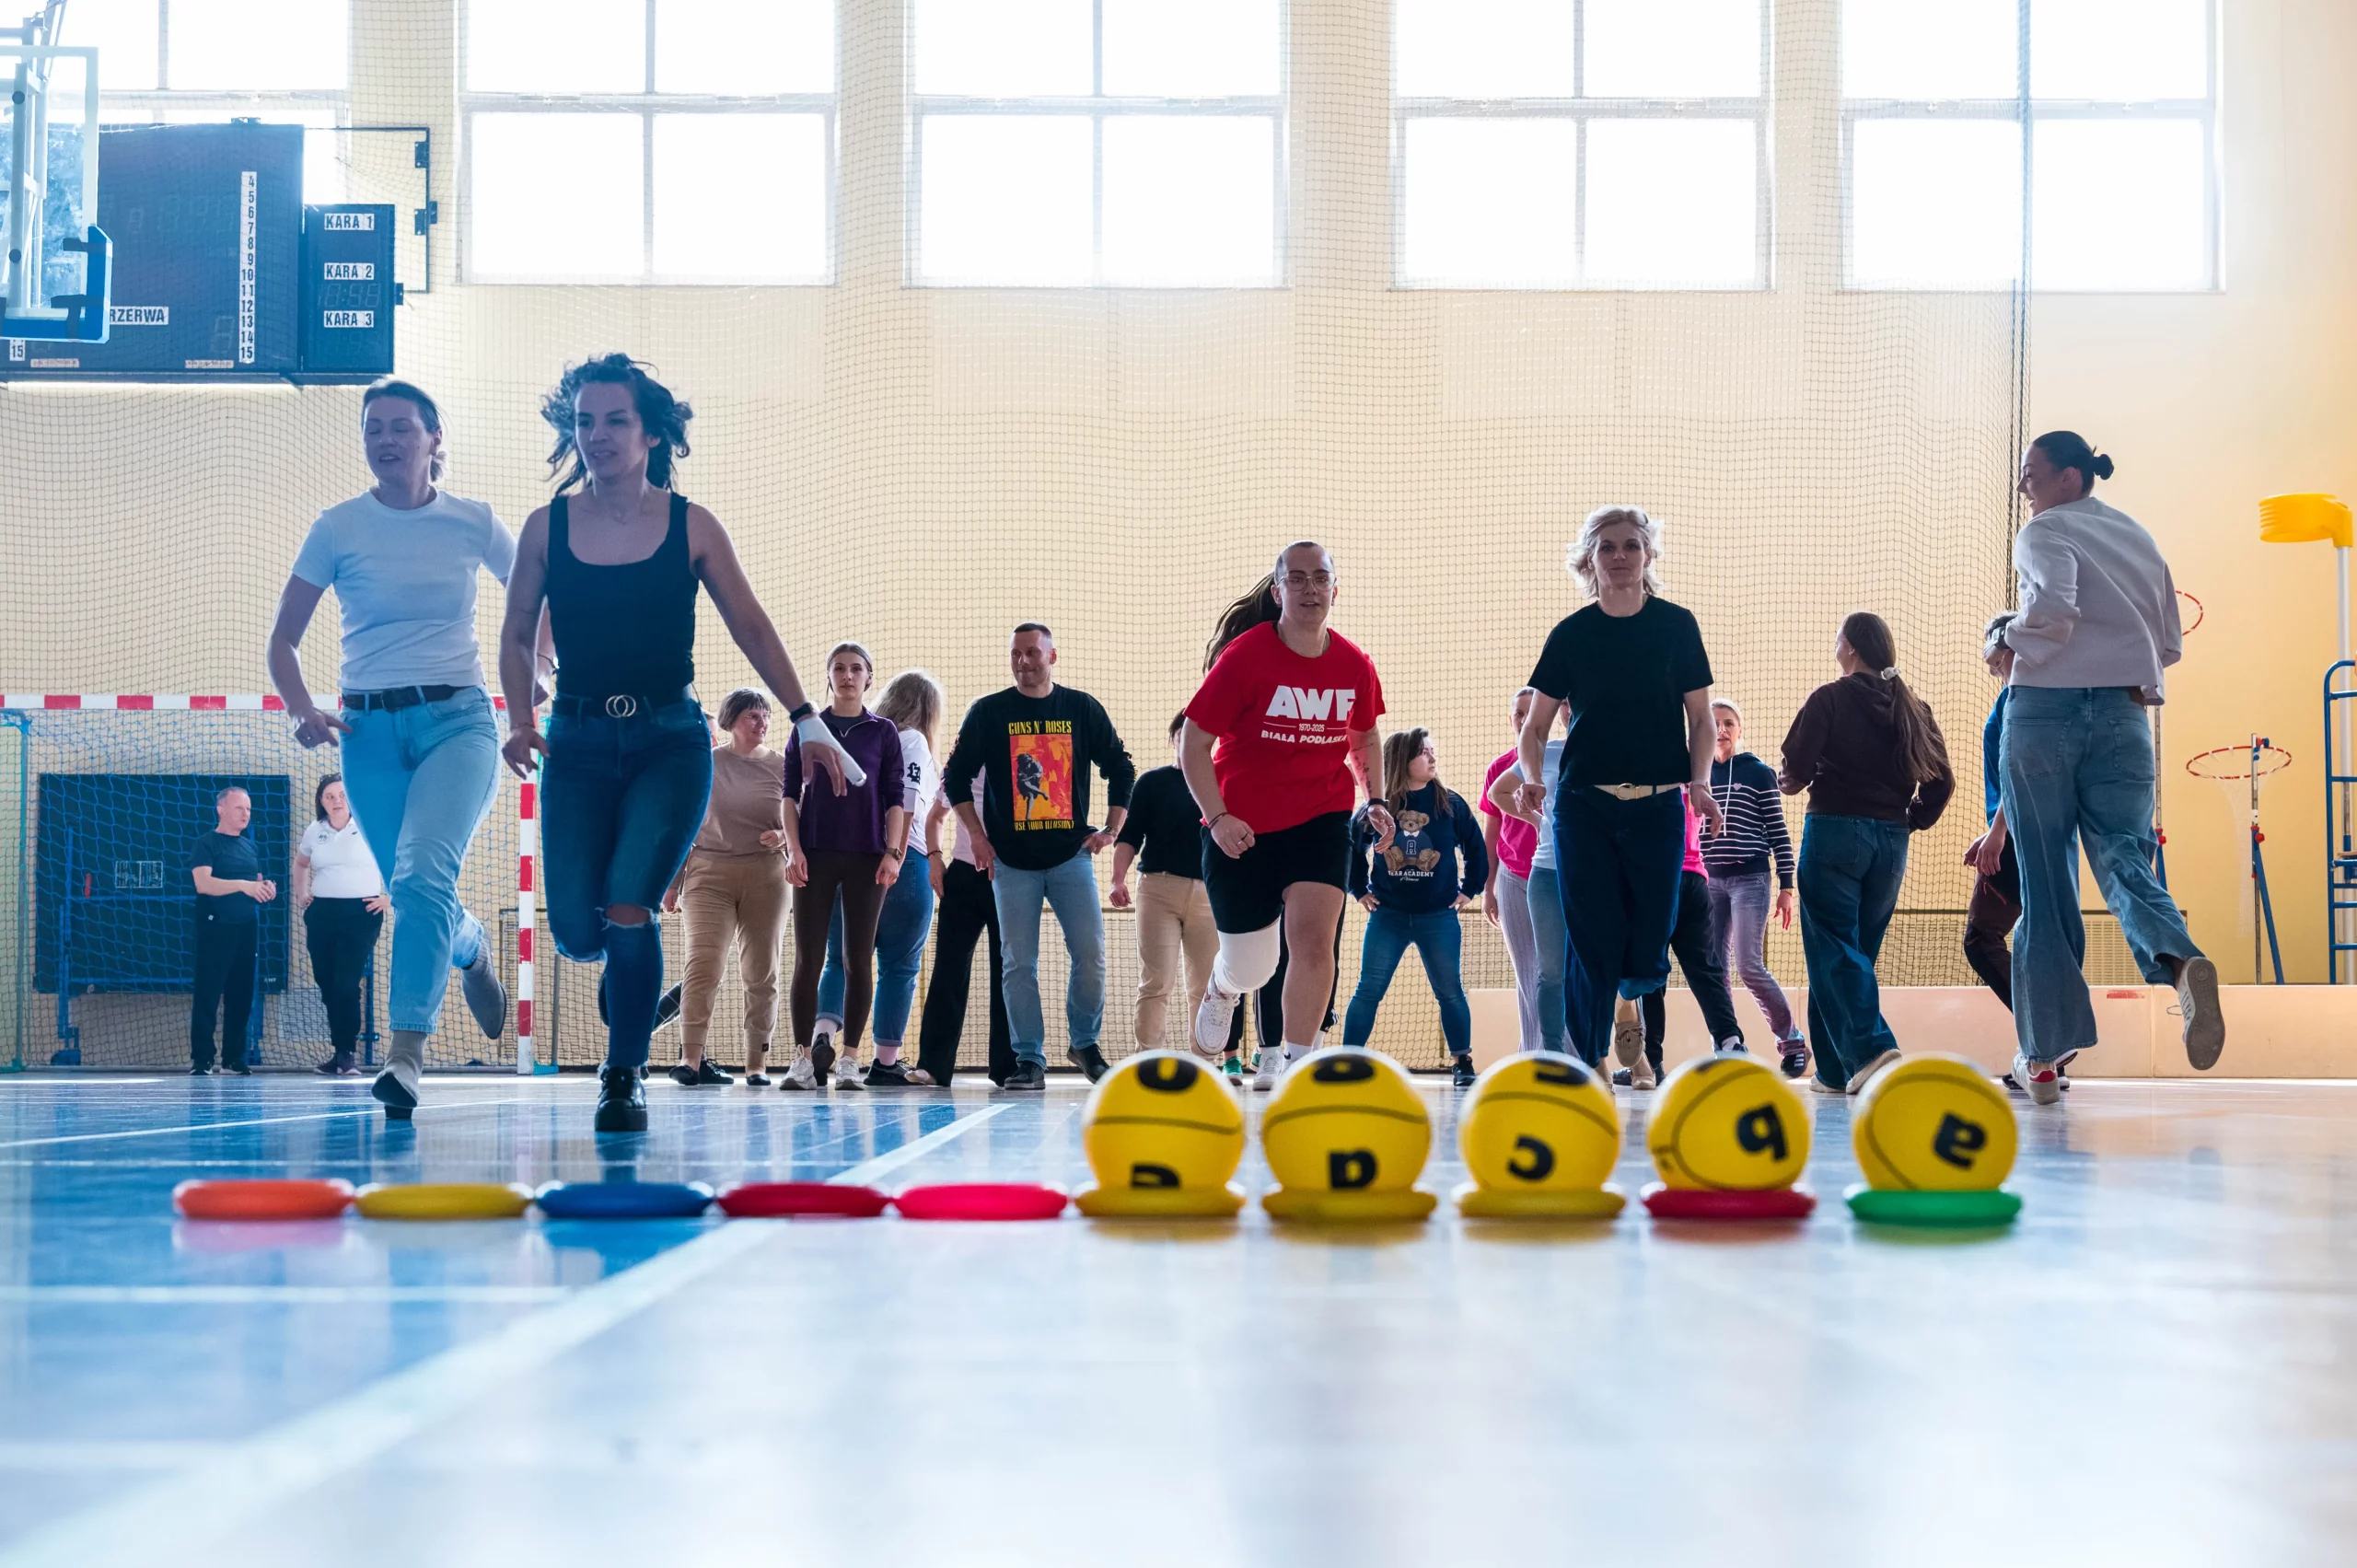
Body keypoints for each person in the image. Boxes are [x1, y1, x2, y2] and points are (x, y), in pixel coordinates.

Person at [496, 354, 855, 1134]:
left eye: (615, 420)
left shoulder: (692, 525)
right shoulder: (546, 527)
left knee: (630, 906)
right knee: (577, 930)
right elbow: (519, 631)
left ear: (651, 432)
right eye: (584, 421)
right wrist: (522, 714)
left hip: (669, 742)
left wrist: (806, 715)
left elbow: (750, 622)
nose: (597, 435)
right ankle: (624, 968)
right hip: (577, 741)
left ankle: (623, 1072)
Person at [267, 378, 518, 1121]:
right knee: (416, 891)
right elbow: (283, 640)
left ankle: (405, 1055)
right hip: (366, 732)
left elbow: (538, 598)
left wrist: (540, 664)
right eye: (373, 427)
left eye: (401, 426)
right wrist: (302, 707)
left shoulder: (474, 521)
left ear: (434, 438)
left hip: (459, 723)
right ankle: (469, 945)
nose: (386, 438)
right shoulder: (337, 527)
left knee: (422, 872)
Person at [1994, 432, 2220, 1102]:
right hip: (2126, 716)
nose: (2024, 486)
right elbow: (2169, 644)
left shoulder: (2042, 531)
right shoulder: (2138, 538)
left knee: (2045, 880)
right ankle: (2179, 958)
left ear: (2069, 477)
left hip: (2043, 714)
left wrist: (2003, 635)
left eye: (2031, 473)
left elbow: (2052, 618)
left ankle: (2042, 1057)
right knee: (2125, 856)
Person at [1514, 507, 1723, 1072]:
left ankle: (1627, 998)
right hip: (1584, 809)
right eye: (1607, 547)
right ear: (1590, 560)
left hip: (1658, 807)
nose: (1620, 556)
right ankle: (1591, 1061)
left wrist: (1700, 783)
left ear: (1648, 555)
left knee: (1650, 943)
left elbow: (1701, 719)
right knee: (1592, 938)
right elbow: (1535, 728)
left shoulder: (1677, 626)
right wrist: (1532, 778)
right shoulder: (1571, 634)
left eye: (1631, 545)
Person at [1183, 541, 1393, 1093]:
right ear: (1277, 592)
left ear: (1335, 590)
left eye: (1319, 578)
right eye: (1295, 579)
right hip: (1241, 827)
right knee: (1254, 965)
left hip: (1320, 817)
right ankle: (1224, 985)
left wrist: (1375, 799)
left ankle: (1298, 1068)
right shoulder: (1244, 658)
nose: (1308, 588)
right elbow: (1192, 744)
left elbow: (1365, 735)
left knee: (1314, 939)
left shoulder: (1355, 665)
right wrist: (1218, 818)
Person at [942, 624, 1134, 1090]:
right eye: (1016, 654)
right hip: (1011, 863)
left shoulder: (1081, 709)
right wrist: (977, 836)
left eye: (1032, 653)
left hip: (1071, 858)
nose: (1023, 661)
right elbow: (955, 776)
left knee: (1090, 954)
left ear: (1052, 656)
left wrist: (1111, 830)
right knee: (1017, 963)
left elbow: (1121, 767)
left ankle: (1084, 1044)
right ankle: (1029, 1059)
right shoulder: (988, 712)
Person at [1780, 611, 1954, 1096]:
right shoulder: (1914, 707)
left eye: (1838, 640)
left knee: (1834, 949)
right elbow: (1942, 783)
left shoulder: (1830, 698)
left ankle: (1873, 1051)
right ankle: (1836, 1071)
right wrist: (1910, 819)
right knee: (1850, 957)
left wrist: (1789, 779)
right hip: (1891, 844)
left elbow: (1795, 768)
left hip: (1834, 834)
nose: (1835, 647)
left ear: (1851, 648)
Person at [776, 643, 908, 1092]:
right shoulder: (808, 729)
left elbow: (895, 797)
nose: (847, 676)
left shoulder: (883, 732)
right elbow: (789, 794)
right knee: (809, 958)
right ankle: (801, 1061)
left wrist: (893, 852)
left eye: (856, 669)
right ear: (828, 676)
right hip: (814, 853)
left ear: (869, 677)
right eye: (839, 669)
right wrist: (793, 850)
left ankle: (850, 1059)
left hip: (867, 857)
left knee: (857, 959)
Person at [819, 668, 945, 1087]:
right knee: (900, 966)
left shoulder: (863, 739)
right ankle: (885, 1061)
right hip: (903, 861)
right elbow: (908, 800)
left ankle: (821, 1037)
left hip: (850, 860)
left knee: (840, 959)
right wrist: (896, 853)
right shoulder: (914, 742)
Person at [1342, 728, 1487, 1086]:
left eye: (1432, 751)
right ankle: (1346, 1061)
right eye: (1424, 752)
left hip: (1438, 917)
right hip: (1388, 917)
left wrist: (1470, 889)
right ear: (1402, 760)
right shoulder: (1379, 810)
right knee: (1368, 989)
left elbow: (1476, 848)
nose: (1432, 757)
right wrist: (1358, 890)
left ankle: (1462, 1062)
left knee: (1450, 991)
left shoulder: (1449, 804)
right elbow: (1351, 849)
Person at [661, 688, 786, 1086]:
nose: (762, 722)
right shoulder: (707, 763)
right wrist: (672, 882)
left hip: (767, 876)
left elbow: (804, 819)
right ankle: (690, 1060)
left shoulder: (784, 766)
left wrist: (784, 836)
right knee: (703, 965)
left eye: (766, 715)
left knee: (761, 971)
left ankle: (756, 1064)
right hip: (708, 875)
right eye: (753, 715)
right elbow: (684, 825)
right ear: (731, 721)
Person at [1111, 712, 1244, 1076]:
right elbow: (1129, 836)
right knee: (1156, 982)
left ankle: (1203, 1067)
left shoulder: (1225, 781)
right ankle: (1147, 1063)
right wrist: (1117, 879)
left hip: (1210, 896)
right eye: (1184, 735)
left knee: (1206, 986)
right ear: (1175, 739)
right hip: (1158, 891)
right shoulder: (1152, 782)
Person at [1608, 792, 1745, 1090]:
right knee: (1706, 970)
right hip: (1696, 881)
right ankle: (1730, 1042)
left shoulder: (1650, 785)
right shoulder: (1693, 785)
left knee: (1650, 973)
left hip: (1659, 880)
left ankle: (1651, 1062)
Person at [1701, 699, 1805, 1077]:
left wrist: (1787, 887)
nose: (1722, 729)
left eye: (1729, 723)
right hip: (1709, 882)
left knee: (1748, 964)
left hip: (1750, 880)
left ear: (1739, 730)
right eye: (1715, 723)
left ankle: (1792, 1041)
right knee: (1713, 968)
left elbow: (1778, 832)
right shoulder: (1695, 776)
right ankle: (1726, 1045)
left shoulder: (1758, 773)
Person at [913, 767, 1014, 1086]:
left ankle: (1009, 1068)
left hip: (1009, 878)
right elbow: (935, 817)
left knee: (1009, 972)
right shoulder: (960, 770)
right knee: (948, 969)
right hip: (963, 878)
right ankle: (932, 1065)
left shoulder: (1014, 761)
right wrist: (934, 859)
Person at [294, 774, 389, 1076]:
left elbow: (397, 859)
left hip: (361, 913)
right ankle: (338, 1054)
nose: (336, 801)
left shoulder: (369, 825)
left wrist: (389, 897)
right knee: (326, 982)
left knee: (346, 983)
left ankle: (347, 1053)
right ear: (321, 802)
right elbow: (301, 864)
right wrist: (302, 894)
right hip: (322, 913)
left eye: (341, 795)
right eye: (329, 796)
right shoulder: (315, 831)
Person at [1489, 706, 1570, 1054]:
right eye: (1519, 713)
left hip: (1586, 876)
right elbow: (1496, 800)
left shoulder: (1604, 750)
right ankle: (1545, 1057)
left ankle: (1591, 1056)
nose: (1526, 719)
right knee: (1542, 973)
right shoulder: (1535, 757)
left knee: (1590, 970)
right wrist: (1538, 821)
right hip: (1535, 874)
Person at [188, 786, 274, 1074]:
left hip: (246, 927)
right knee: (208, 993)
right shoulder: (206, 843)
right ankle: (202, 1059)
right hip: (215, 927)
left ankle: (233, 1058)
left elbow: (256, 882)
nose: (245, 814)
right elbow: (204, 884)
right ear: (221, 810)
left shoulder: (250, 847)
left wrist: (265, 888)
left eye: (248, 809)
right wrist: (242, 885)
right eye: (239, 808)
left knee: (242, 994)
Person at [1479, 690, 1544, 1053]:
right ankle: (1532, 1054)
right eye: (1518, 714)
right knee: (1527, 973)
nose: (1523, 720)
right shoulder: (1498, 768)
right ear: (1510, 720)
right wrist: (1489, 888)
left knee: (1553, 972)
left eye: (1530, 713)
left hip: (1555, 878)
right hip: (1512, 878)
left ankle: (1564, 1055)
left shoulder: (1560, 759)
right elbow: (1491, 835)